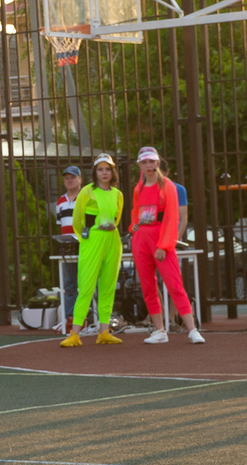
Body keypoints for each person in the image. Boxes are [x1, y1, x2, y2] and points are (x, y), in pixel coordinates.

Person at [128, 147, 202, 344]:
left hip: (161, 239)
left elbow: (172, 217)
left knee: (174, 284)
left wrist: (164, 245)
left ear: (158, 163)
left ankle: (192, 329)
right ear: (140, 165)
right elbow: (136, 211)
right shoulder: (138, 188)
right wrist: (134, 227)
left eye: (151, 162)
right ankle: (160, 330)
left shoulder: (168, 186)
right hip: (141, 239)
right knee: (148, 286)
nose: (148, 166)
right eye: (144, 162)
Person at [62, 153, 125, 346]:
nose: (104, 173)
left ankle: (104, 331)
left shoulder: (118, 194)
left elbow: (117, 218)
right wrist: (86, 238)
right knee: (86, 286)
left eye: (107, 169)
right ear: (95, 172)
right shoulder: (87, 191)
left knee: (108, 286)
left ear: (112, 172)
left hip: (112, 242)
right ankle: (74, 333)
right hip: (92, 241)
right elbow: (77, 220)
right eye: (100, 169)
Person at [51, 164, 84, 337]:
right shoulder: (61, 201)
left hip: (84, 244)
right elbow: (60, 223)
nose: (70, 181)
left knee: (86, 283)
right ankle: (70, 318)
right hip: (67, 246)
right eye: (67, 178)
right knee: (69, 284)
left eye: (73, 177)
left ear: (80, 179)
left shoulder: (85, 197)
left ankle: (87, 318)